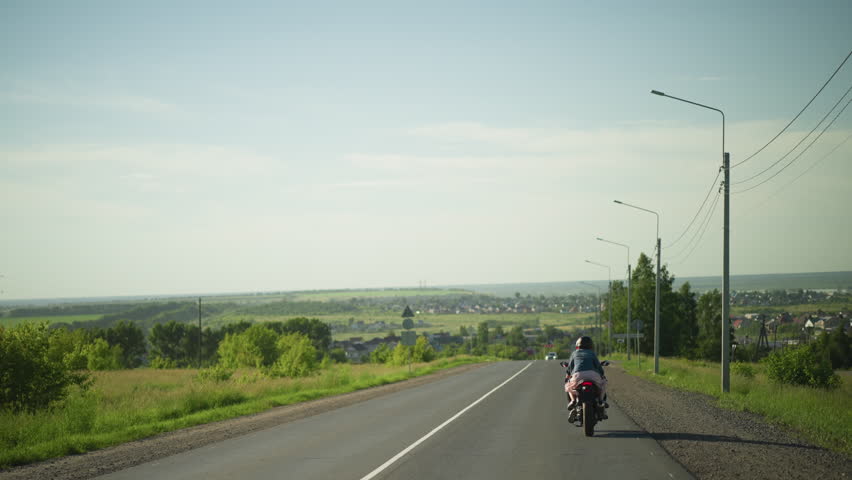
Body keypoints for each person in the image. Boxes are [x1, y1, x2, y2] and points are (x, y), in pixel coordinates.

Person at [561, 336, 608, 420]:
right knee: (603, 383)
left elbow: (570, 369)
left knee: (568, 386)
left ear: (578, 345)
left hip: (578, 376)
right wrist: (602, 375)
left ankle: (573, 401)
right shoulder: (592, 353)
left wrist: (567, 377)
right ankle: (601, 400)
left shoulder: (574, 353)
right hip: (593, 375)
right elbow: (598, 367)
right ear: (591, 345)